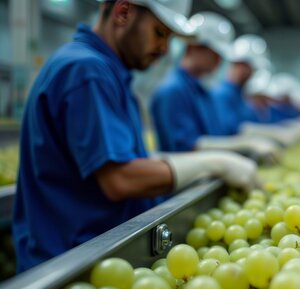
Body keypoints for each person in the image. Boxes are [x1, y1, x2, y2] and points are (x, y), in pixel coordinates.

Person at [12, 0, 258, 272]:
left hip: (102, 256)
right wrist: (214, 163)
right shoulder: (86, 71)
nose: (165, 50)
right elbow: (120, 178)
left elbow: (129, 159)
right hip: (70, 264)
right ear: (123, 12)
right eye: (159, 33)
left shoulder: (111, 74)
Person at [150, 12, 280, 159]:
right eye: (215, 54)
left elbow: (222, 133)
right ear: (193, 46)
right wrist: (245, 145)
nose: (219, 62)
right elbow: (185, 146)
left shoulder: (203, 92)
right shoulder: (173, 91)